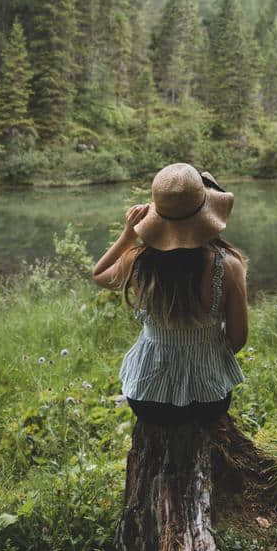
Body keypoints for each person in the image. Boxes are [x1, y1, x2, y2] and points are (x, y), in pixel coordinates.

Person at [92, 162, 249, 426]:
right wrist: (204, 354)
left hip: (148, 397)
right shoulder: (229, 266)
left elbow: (100, 274)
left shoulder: (139, 261)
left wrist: (129, 232)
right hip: (208, 398)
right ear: (206, 213)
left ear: (157, 216)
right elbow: (238, 338)